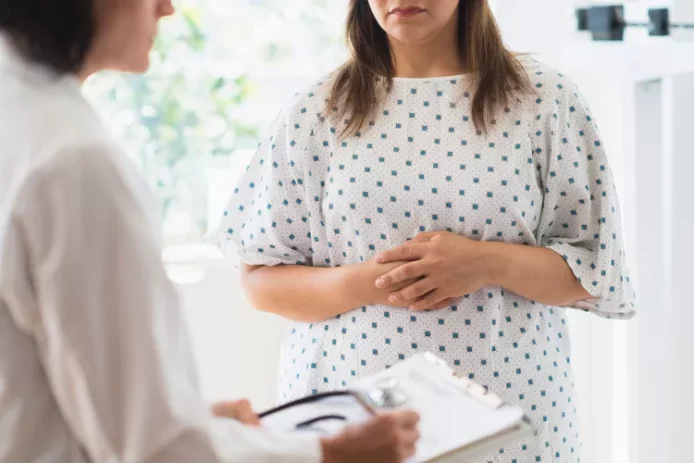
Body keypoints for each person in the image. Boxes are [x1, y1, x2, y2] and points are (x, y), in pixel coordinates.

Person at [214, 1, 636, 462]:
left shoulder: (543, 99)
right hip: (354, 427)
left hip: (513, 422)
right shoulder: (315, 110)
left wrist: (485, 263)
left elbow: (595, 271)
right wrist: (372, 283)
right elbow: (259, 280)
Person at [0, 0, 421, 462]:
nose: (168, 9)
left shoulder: (24, 124)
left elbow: (54, 392)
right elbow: (156, 448)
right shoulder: (73, 164)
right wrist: (331, 455)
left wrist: (193, 425)